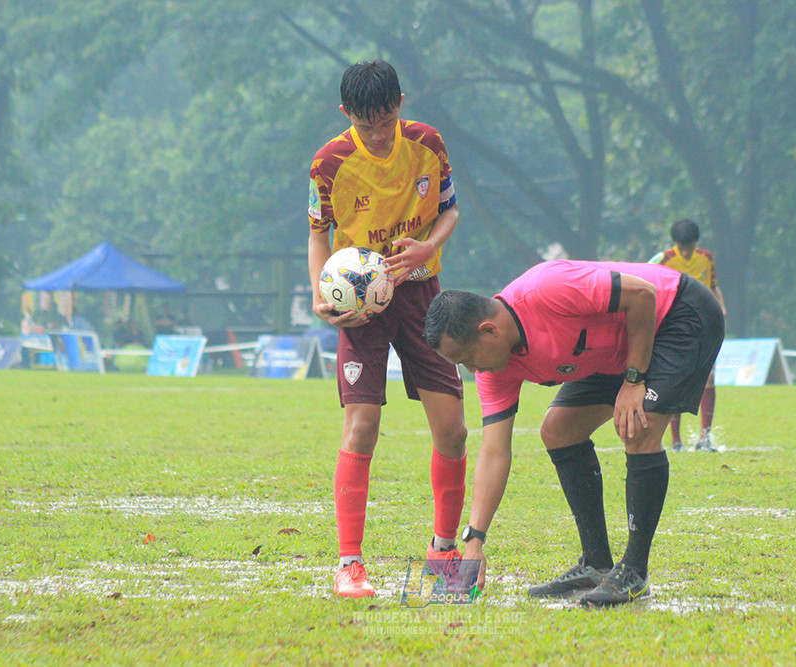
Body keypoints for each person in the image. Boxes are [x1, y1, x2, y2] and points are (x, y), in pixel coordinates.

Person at [424, 259, 725, 607]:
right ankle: (596, 563)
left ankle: (634, 573)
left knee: (638, 429)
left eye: (469, 358)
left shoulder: (548, 287)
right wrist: (474, 540)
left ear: (490, 330)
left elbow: (643, 295)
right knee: (559, 430)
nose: (472, 370)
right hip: (618, 351)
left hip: (677, 313)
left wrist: (634, 379)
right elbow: (493, 452)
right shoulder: (495, 371)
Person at [307, 60, 468, 598]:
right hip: (360, 304)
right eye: (364, 124)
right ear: (345, 114)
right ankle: (349, 564)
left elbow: (450, 211)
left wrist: (430, 245)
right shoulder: (329, 162)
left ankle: (443, 551)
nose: (377, 135)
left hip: (422, 292)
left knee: (453, 428)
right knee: (362, 429)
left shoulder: (427, 143)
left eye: (385, 120)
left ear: (400, 102)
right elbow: (317, 233)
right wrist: (318, 291)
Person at [649, 219, 727, 452]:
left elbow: (713, 286)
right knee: (676, 378)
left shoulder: (706, 257)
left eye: (690, 246)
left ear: (696, 243)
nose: (686, 251)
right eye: (682, 247)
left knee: (709, 376)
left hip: (704, 323)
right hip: (675, 327)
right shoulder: (664, 260)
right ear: (675, 243)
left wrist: (722, 309)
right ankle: (675, 440)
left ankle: (705, 438)